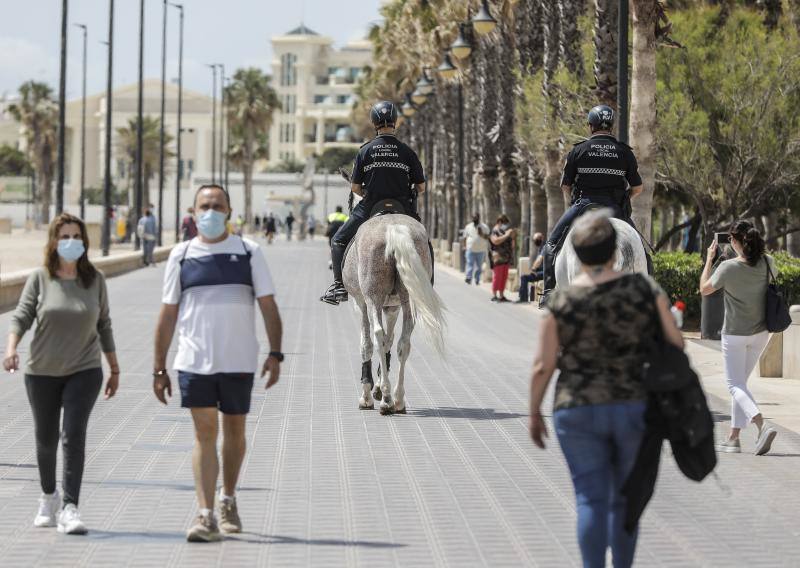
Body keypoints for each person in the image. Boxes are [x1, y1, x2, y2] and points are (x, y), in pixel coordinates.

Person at [529, 209, 683, 568]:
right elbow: (675, 344)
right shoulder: (645, 290)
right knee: (624, 501)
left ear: (575, 254)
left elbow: (542, 365)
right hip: (634, 407)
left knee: (590, 499)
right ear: (617, 251)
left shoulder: (561, 302)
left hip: (577, 409)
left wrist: (535, 411)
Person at [153, 184, 283, 542]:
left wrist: (275, 353)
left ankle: (228, 498)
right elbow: (167, 314)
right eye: (204, 206)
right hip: (193, 361)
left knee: (235, 434)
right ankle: (206, 513)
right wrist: (159, 367)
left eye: (217, 205)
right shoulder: (180, 255)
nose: (210, 212)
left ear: (229, 211)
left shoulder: (248, 251)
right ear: (194, 212)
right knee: (204, 433)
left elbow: (268, 305)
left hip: (239, 359)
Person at [3, 213, 119, 535]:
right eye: (65, 236)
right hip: (41, 371)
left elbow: (104, 324)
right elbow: (22, 316)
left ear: (85, 241)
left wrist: (115, 367)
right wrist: (11, 349)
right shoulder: (40, 278)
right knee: (46, 439)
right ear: (54, 241)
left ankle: (70, 506)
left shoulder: (95, 279)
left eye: (77, 236)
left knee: (72, 435)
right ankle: (48, 496)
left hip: (85, 369)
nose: (72, 242)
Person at [320, 101, 426, 305]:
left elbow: (355, 188)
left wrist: (368, 189)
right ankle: (427, 281)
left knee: (339, 241)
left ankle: (339, 287)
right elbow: (421, 187)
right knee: (424, 242)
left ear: (374, 122)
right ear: (395, 121)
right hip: (403, 207)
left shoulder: (365, 151)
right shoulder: (407, 152)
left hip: (371, 207)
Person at [541, 105, 644, 305]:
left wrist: (573, 202)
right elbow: (638, 188)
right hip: (614, 207)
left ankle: (548, 291)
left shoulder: (578, 150)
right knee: (643, 251)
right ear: (611, 126)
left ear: (591, 126)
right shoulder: (624, 152)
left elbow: (565, 186)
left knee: (551, 246)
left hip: (584, 205)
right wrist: (624, 198)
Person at [700, 220, 778, 455]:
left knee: (734, 385)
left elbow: (704, 289)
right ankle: (733, 438)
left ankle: (761, 424)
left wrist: (709, 260)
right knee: (741, 385)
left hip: (735, 334)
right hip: (761, 333)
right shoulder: (769, 262)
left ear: (734, 241)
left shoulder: (728, 268)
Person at [489, 215, 515, 303]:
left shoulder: (504, 231)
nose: (505, 225)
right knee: (498, 276)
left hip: (506, 257)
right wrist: (507, 235)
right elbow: (495, 241)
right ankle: (494, 295)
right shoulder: (495, 231)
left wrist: (512, 237)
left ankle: (501, 295)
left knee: (504, 277)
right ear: (499, 222)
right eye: (504, 223)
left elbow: (512, 245)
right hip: (498, 257)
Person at [516, 232, 546, 303]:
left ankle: (523, 298)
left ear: (541, 238)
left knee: (524, 277)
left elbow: (539, 260)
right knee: (526, 276)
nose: (535, 241)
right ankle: (523, 296)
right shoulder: (543, 246)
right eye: (534, 240)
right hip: (544, 271)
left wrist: (533, 269)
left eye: (536, 239)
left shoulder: (544, 247)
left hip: (546, 272)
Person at [463, 213, 490, 285]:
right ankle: (468, 277)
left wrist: (481, 234)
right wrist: (464, 246)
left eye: (476, 217)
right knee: (469, 263)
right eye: (473, 218)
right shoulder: (468, 226)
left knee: (479, 266)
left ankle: (477, 279)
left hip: (480, 250)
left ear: (479, 218)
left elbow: (488, 237)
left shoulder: (484, 227)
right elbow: (465, 237)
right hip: (470, 249)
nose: (474, 219)